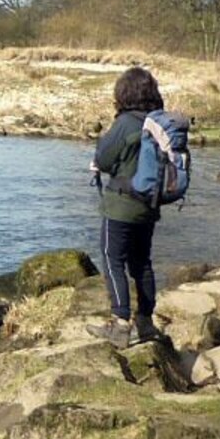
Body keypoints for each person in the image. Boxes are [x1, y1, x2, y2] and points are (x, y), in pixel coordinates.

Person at [89, 67, 167, 346]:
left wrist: (100, 164)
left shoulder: (124, 123)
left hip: (121, 206)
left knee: (112, 259)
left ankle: (121, 323)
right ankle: (145, 322)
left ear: (123, 93)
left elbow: (105, 158)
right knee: (142, 263)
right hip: (149, 205)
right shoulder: (158, 122)